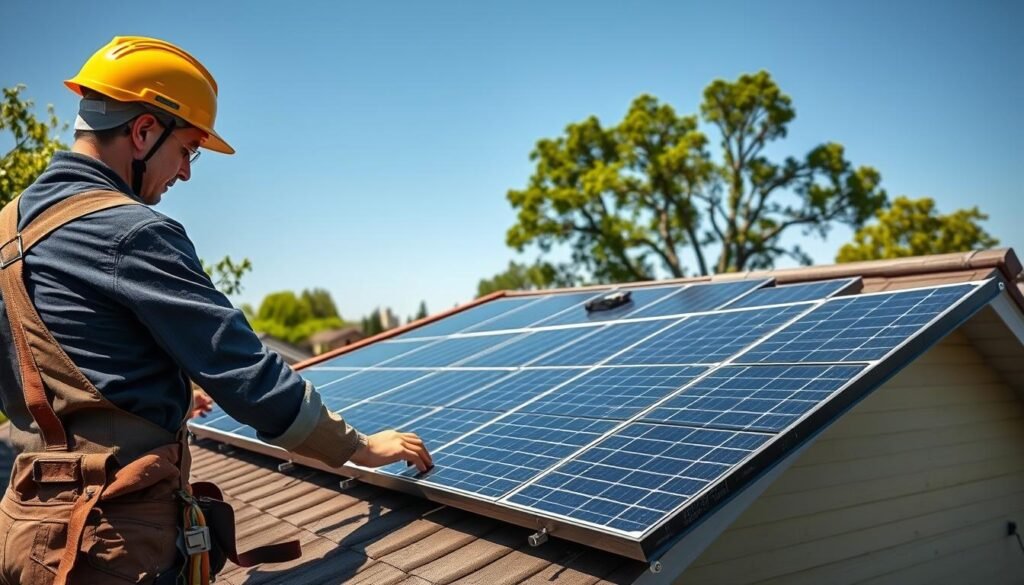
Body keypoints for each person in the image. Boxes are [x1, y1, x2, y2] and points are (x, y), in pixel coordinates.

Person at [0, 36, 431, 585]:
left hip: (25, 534)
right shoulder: (131, 232)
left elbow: (62, 363)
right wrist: (359, 447)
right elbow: (245, 372)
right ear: (143, 131)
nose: (185, 173)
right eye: (187, 150)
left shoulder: (7, 229)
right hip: (110, 546)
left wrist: (157, 389)